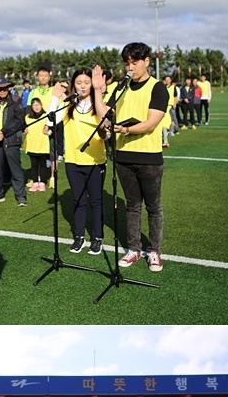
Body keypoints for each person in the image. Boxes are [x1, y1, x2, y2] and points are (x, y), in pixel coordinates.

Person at [92, 42, 169, 273]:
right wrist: (97, 91)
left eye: (134, 62)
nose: (130, 66)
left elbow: (151, 122)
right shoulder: (120, 87)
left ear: (146, 61)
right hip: (123, 156)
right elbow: (105, 114)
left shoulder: (157, 88)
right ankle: (134, 249)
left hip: (149, 157)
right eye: (127, 63)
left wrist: (124, 130)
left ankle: (154, 250)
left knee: (153, 207)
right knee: (132, 206)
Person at [50, 69, 107, 255]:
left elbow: (106, 130)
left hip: (95, 161)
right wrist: (55, 98)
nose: (82, 86)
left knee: (96, 201)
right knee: (78, 200)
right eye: (79, 82)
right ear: (73, 84)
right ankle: (79, 236)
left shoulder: (98, 105)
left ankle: (97, 237)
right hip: (73, 161)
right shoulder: (68, 105)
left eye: (86, 82)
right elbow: (51, 122)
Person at [0, 76, 27, 206]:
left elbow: (19, 121)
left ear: (8, 88)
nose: (2, 91)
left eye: (4, 88)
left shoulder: (16, 101)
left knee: (15, 169)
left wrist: (3, 132)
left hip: (11, 139)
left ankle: (21, 196)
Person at [23, 97, 50, 191]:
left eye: (38, 104)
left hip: (42, 144)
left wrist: (48, 130)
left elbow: (53, 128)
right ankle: (35, 182)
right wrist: (24, 130)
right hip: (32, 144)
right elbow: (23, 127)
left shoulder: (46, 116)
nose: (36, 107)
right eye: (34, 105)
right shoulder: (27, 117)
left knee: (42, 164)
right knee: (34, 164)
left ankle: (42, 182)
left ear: (41, 105)